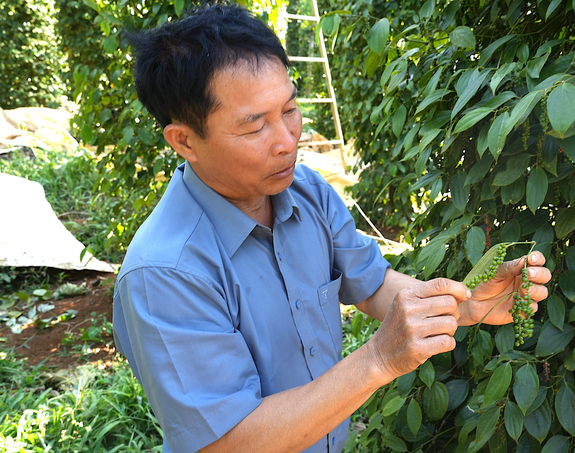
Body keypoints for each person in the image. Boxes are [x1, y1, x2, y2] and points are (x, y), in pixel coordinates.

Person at [112, 4, 552, 453]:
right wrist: (377, 359)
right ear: (184, 140)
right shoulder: (165, 273)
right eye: (254, 126)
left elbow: (372, 284)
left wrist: (465, 303)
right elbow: (227, 443)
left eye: (288, 109)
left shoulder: (306, 193)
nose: (287, 141)